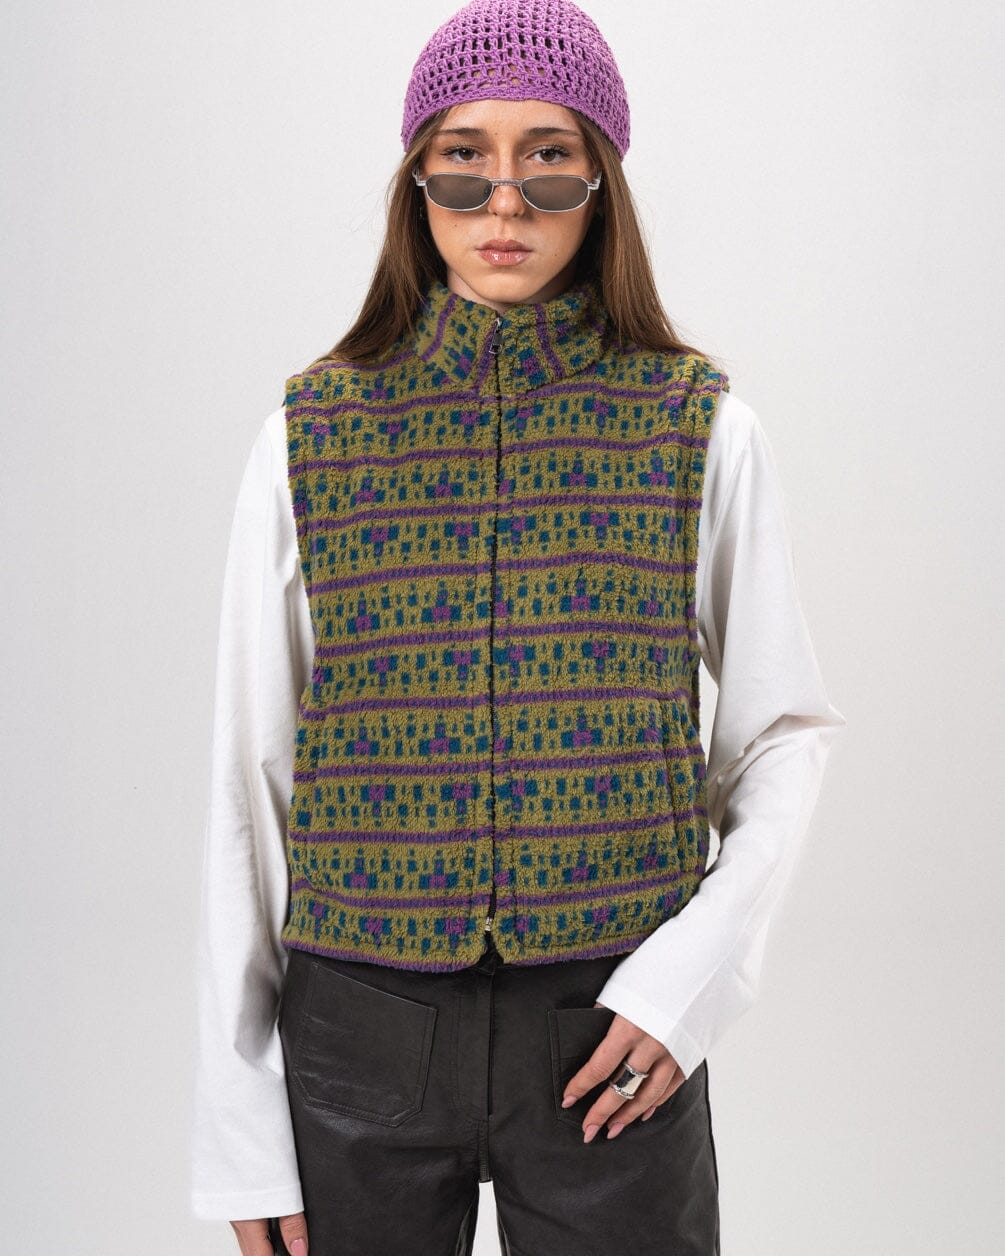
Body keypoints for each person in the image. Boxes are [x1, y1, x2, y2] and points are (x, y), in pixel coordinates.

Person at [190, 1, 846, 1253]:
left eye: (549, 158)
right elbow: (248, 780)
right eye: (463, 158)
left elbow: (782, 732)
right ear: (416, 180)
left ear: (600, 184)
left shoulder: (698, 426)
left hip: (610, 1027)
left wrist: (688, 984)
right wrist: (236, 1115)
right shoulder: (308, 437)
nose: (504, 201)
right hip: (359, 1029)